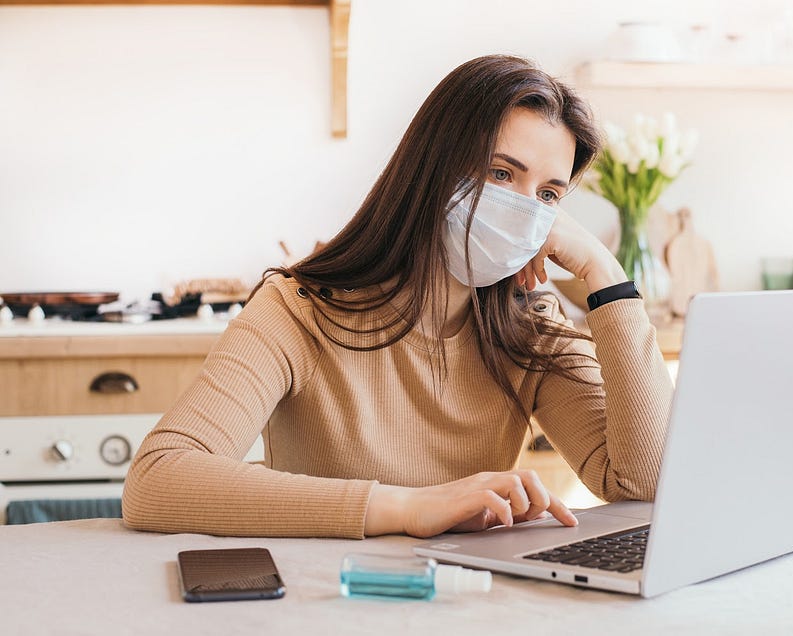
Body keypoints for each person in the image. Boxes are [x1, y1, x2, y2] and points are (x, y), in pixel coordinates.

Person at [122, 54, 674, 539]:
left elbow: (642, 482)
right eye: (500, 173)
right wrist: (407, 507)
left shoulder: (530, 330)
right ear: (432, 171)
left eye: (548, 194)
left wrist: (606, 274)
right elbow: (159, 477)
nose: (526, 210)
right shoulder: (297, 309)